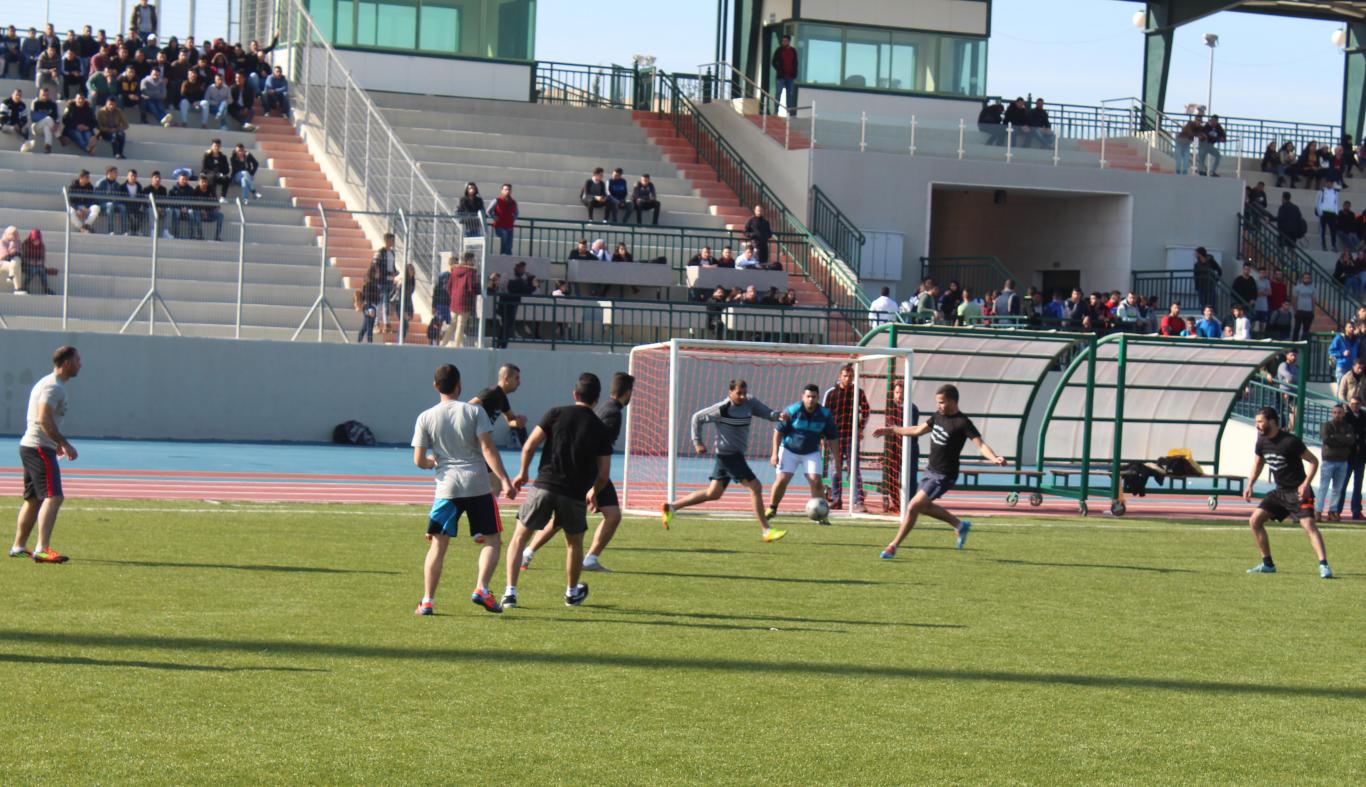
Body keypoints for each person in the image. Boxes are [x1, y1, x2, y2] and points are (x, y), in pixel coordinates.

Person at [411, 363, 516, 616]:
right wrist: (504, 479)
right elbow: (488, 449)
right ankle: (481, 587)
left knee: (437, 545)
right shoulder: (473, 412)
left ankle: (427, 601)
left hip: (447, 487)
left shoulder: (426, 417)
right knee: (492, 539)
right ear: (459, 385)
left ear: (436, 386)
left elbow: (419, 460)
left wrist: (430, 463)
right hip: (477, 483)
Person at [502, 373, 614, 609]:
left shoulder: (555, 413)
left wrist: (523, 472)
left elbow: (530, 444)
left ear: (575, 394)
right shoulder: (600, 429)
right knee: (573, 544)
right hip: (573, 494)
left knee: (519, 539)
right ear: (596, 400)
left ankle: (510, 593)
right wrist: (594, 490)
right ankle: (571, 593)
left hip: (544, 485)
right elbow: (603, 473)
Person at [872, 383, 1007, 559]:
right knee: (923, 507)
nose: (938, 405)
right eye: (937, 402)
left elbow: (980, 445)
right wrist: (892, 430)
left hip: (944, 475)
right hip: (930, 471)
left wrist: (994, 457)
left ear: (952, 401)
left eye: (942, 402)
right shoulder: (937, 417)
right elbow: (917, 430)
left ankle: (893, 546)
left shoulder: (962, 423)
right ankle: (959, 525)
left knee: (913, 506)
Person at [523, 372, 634, 573]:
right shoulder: (613, 413)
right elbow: (597, 446)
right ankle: (590, 559)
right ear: (627, 393)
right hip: (590, 471)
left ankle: (528, 552)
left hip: (584, 470)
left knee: (560, 520)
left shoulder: (605, 408)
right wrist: (593, 487)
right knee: (613, 515)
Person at [661, 379, 788, 542]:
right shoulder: (722, 408)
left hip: (731, 456)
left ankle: (672, 508)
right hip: (729, 456)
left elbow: (766, 413)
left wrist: (779, 415)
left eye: (744, 393)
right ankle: (766, 531)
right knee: (756, 487)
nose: (742, 396)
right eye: (738, 393)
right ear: (730, 393)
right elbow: (696, 418)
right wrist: (697, 442)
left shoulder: (750, 402)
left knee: (713, 493)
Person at [11, 346, 81, 563]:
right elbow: (44, 418)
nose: (81, 364)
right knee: (54, 497)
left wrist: (55, 443)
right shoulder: (53, 387)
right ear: (67, 363)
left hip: (32, 445)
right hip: (39, 447)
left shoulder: (48, 383)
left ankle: (18, 546)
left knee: (33, 499)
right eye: (78, 360)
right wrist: (63, 443)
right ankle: (42, 549)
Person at [1242, 407, 1332, 579]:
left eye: (1260, 421)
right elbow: (1258, 463)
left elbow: (1313, 461)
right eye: (1256, 422)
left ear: (1272, 421)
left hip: (1298, 492)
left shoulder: (1290, 442)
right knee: (1254, 521)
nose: (1257, 425)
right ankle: (1268, 564)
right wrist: (1250, 484)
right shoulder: (1261, 442)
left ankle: (1324, 565)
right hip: (1280, 492)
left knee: (1309, 526)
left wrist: (1306, 484)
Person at [764, 384, 840, 523]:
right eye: (808, 396)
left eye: (814, 397)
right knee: (782, 479)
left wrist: (837, 462)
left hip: (811, 452)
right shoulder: (792, 410)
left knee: (816, 482)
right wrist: (774, 454)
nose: (811, 399)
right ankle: (772, 509)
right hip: (789, 450)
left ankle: (821, 516)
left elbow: (833, 439)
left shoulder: (825, 415)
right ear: (803, 397)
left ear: (818, 398)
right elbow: (778, 432)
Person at [823, 364, 871, 512]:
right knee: (836, 469)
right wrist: (824, 436)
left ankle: (858, 502)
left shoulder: (858, 392)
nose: (847, 378)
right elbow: (825, 415)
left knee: (854, 469)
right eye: (845, 376)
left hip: (851, 436)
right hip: (834, 438)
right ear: (840, 377)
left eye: (850, 376)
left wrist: (860, 428)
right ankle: (837, 500)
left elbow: (866, 411)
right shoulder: (831, 393)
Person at [470, 364, 526, 466]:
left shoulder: (503, 398)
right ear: (506, 379)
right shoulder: (492, 393)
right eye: (516, 378)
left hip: (481, 446)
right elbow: (467, 408)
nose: (519, 382)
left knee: (492, 478)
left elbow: (510, 421)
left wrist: (518, 422)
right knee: (497, 477)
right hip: (474, 445)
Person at [1318, 404, 1354, 522]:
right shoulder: (1326, 425)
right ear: (1331, 413)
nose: (1337, 415)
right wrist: (1342, 440)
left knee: (1337, 489)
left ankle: (1333, 511)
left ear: (1343, 414)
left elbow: (1350, 440)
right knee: (1323, 487)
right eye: (1335, 412)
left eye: (1339, 412)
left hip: (1342, 461)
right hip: (1328, 460)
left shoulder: (1348, 426)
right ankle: (1318, 510)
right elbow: (1326, 439)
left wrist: (1336, 438)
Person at [770, 34, 798, 115]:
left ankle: (788, 112)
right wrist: (779, 69)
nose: (784, 42)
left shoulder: (793, 51)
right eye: (783, 41)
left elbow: (795, 63)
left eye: (785, 41)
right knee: (778, 93)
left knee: (790, 94)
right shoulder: (779, 50)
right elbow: (773, 62)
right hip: (781, 77)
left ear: (789, 41)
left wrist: (794, 73)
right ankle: (776, 111)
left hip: (790, 77)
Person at [489, 183, 517, 255]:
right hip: (499, 226)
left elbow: (516, 212)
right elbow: (488, 211)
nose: (507, 191)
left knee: (509, 244)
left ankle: (507, 255)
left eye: (509, 190)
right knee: (504, 236)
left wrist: (513, 219)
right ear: (502, 191)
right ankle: (504, 254)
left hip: (509, 226)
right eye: (505, 189)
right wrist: (494, 217)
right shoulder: (497, 200)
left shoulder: (513, 202)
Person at [1290, 272, 1314, 342]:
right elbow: (1294, 299)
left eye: (1308, 278)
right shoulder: (1297, 287)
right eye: (1305, 278)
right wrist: (1295, 310)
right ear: (1302, 279)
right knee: (1296, 329)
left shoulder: (1312, 288)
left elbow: (1313, 300)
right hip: (1299, 311)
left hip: (1308, 312)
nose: (1307, 279)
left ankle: (1303, 346)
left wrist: (1313, 311)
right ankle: (1294, 347)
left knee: (1306, 330)